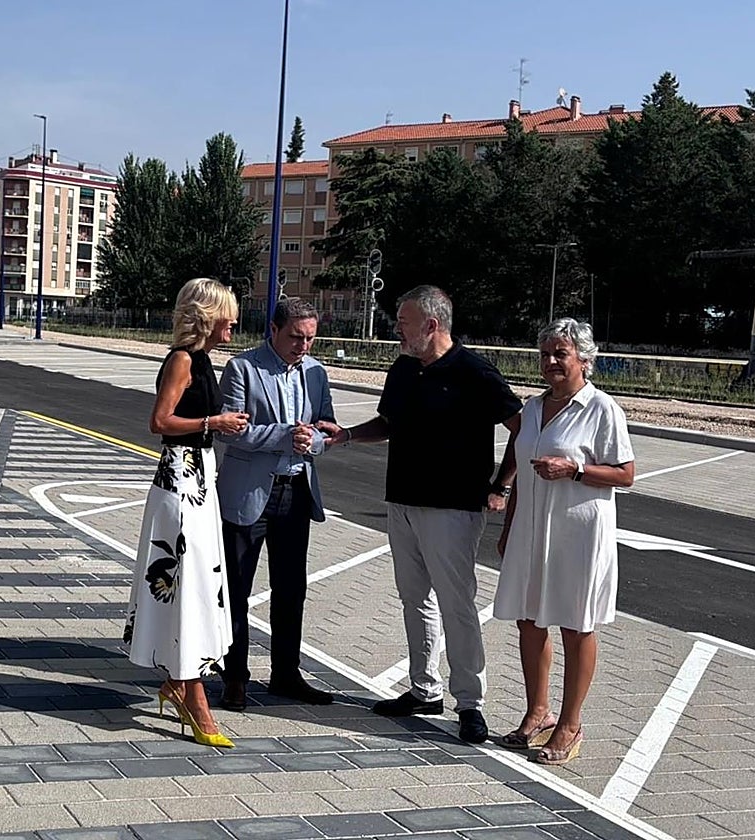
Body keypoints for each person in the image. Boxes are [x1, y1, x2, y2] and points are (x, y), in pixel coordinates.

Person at [322, 285, 521, 743]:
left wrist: (501, 486)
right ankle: (424, 688)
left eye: (404, 322)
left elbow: (522, 425)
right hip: (403, 502)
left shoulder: (474, 371)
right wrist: (348, 436)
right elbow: (389, 424)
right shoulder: (404, 368)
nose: (397, 329)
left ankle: (470, 702)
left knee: (457, 605)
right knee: (415, 599)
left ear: (432, 325)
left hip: (452, 507)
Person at [492, 318, 634, 764]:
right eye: (546, 354)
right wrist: (509, 524)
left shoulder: (601, 409)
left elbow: (626, 474)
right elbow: (520, 465)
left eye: (561, 354)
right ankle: (538, 712)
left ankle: (571, 724)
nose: (551, 362)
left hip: (578, 533)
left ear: (584, 361)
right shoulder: (532, 409)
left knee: (575, 624)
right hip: (532, 530)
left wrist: (573, 470)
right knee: (529, 620)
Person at [124, 278, 249, 748]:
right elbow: (159, 421)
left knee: (198, 584)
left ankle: (180, 684)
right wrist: (213, 422)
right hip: (180, 480)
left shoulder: (204, 362)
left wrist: (221, 425)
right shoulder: (181, 360)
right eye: (228, 315)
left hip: (199, 479)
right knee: (188, 585)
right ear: (207, 316)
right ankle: (192, 696)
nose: (234, 323)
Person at [217, 298, 338, 712]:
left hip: (296, 490)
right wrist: (286, 436)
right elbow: (231, 431)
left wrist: (315, 441)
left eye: (309, 339)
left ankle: (286, 674)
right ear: (273, 329)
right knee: (236, 590)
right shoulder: (242, 368)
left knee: (291, 589)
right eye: (295, 337)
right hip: (249, 492)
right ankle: (234, 676)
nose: (303, 346)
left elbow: (325, 428)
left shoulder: (316, 373)